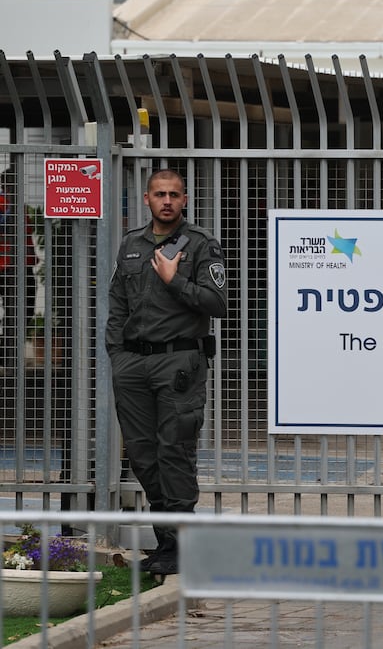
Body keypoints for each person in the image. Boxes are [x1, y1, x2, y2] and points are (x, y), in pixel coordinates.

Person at [105, 169, 227, 575]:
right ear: (147, 198)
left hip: (179, 364)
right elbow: (117, 302)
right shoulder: (131, 245)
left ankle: (179, 546)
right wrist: (117, 355)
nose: (168, 201)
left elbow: (216, 302)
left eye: (175, 194)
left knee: (174, 451)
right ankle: (165, 543)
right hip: (134, 365)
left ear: (185, 199)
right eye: (160, 194)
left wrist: (176, 282)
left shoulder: (201, 245)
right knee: (142, 455)